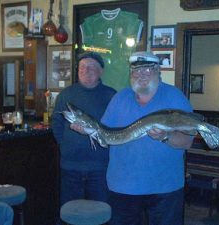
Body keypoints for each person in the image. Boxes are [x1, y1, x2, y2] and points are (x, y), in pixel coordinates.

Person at [71, 51, 194, 225]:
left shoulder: (175, 98)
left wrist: (165, 136)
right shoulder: (119, 98)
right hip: (122, 188)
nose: (141, 75)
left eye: (147, 69)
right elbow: (105, 138)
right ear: (130, 73)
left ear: (158, 71)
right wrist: (87, 131)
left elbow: (187, 141)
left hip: (164, 189)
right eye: (136, 70)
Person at [51, 52, 116, 210]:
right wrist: (65, 145)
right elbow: (57, 123)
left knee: (100, 214)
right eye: (82, 67)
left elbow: (115, 128)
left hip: (100, 168)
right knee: (71, 213)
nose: (86, 70)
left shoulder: (112, 96)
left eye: (91, 67)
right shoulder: (65, 95)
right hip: (70, 167)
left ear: (101, 71)